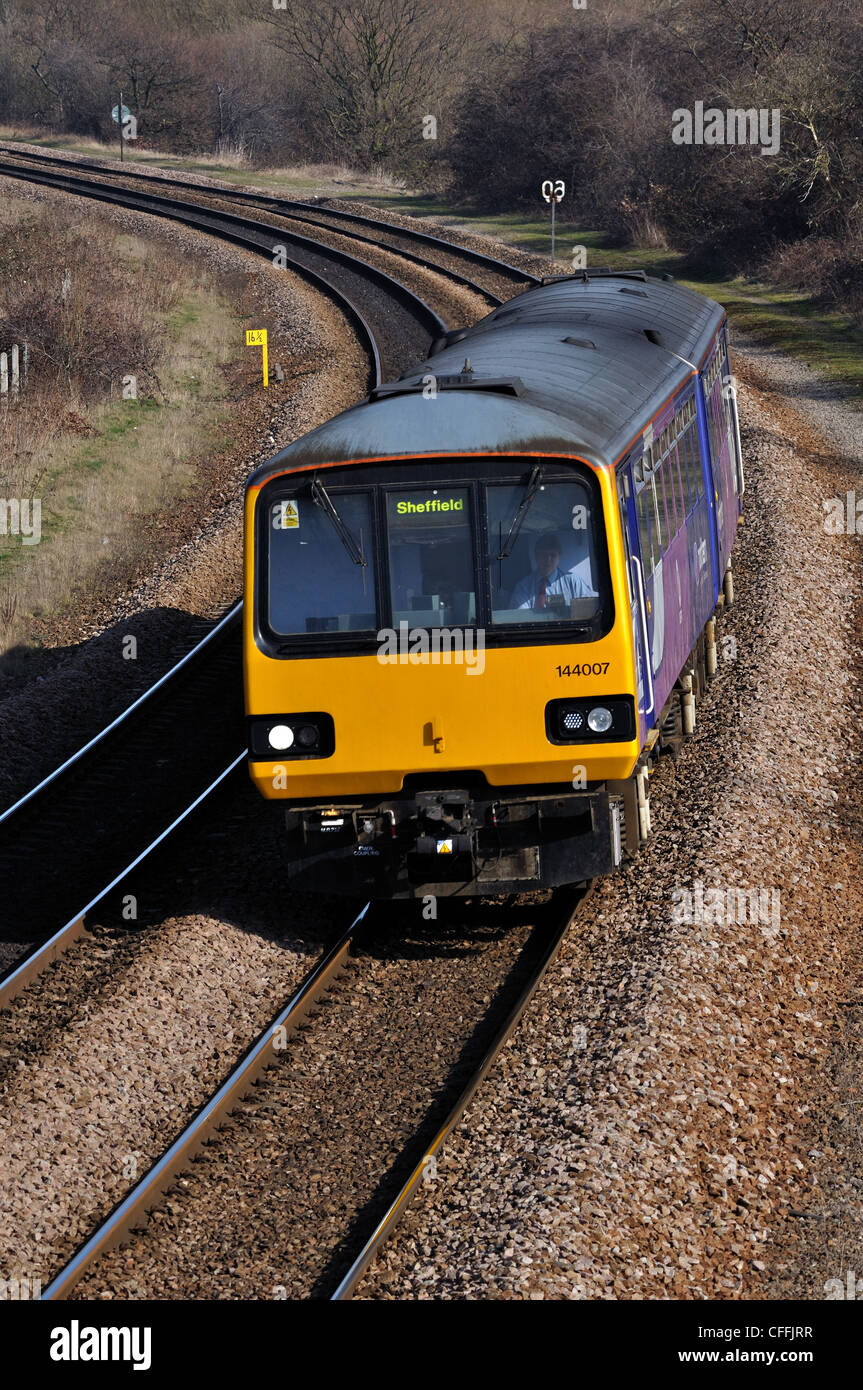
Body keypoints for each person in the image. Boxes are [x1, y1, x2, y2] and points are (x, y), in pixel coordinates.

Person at [509, 532, 596, 612]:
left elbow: (588, 612)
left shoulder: (574, 583)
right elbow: (521, 618)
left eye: (553, 555)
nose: (548, 559)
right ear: (536, 556)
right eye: (544, 555)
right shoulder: (523, 587)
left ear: (559, 557)